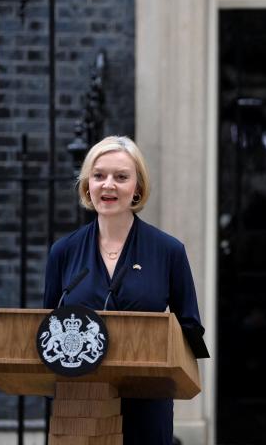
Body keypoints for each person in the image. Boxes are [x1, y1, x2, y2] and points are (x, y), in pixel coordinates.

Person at [43, 135, 204, 445]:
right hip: (80, 401)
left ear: (137, 187)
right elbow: (47, 325)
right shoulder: (63, 252)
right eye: (99, 175)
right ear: (87, 185)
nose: (108, 185)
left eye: (121, 177)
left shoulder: (168, 251)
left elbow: (190, 326)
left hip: (148, 402)